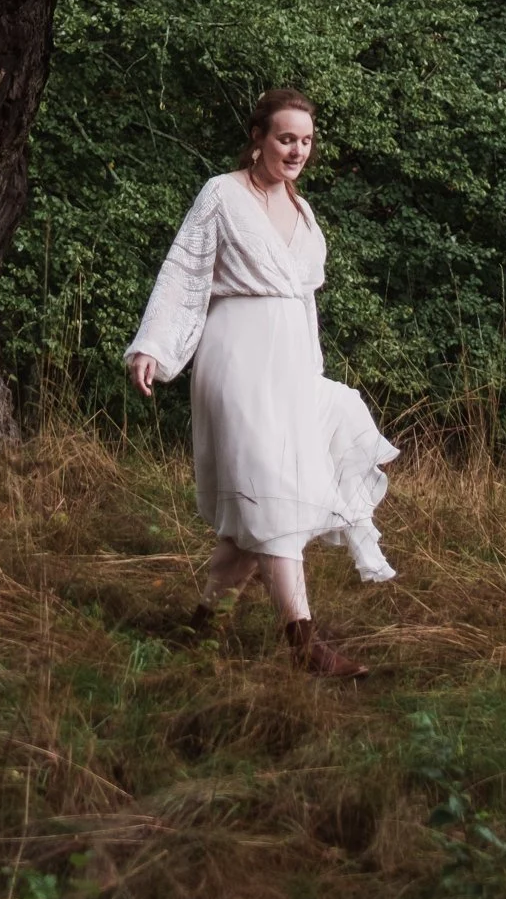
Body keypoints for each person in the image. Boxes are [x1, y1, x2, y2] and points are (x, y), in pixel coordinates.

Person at [125, 86, 397, 678]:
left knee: (263, 504)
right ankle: (304, 645)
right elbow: (185, 271)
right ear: (258, 139)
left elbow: (302, 303)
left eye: (305, 140)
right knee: (273, 490)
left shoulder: (302, 211)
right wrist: (153, 344)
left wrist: (310, 370)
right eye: (285, 138)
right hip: (237, 357)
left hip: (291, 362)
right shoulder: (222, 195)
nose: (297, 150)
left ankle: (199, 632)